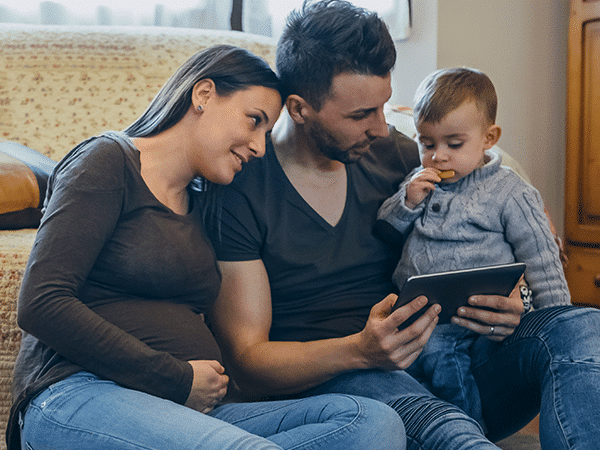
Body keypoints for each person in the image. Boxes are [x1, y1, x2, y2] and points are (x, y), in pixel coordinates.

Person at [207, 1, 600, 449]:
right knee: (449, 431)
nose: (382, 127)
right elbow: (247, 361)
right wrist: (359, 350)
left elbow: (493, 183)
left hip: (459, 356)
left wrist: (521, 300)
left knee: (583, 326)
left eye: (383, 107)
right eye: (360, 115)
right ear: (299, 109)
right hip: (350, 377)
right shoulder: (241, 190)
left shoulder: (394, 154)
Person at [6, 44, 406, 450]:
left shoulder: (207, 198)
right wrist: (176, 379)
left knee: (372, 422)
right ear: (204, 95)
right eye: (253, 121)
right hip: (79, 393)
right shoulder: (108, 160)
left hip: (192, 412)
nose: (259, 147)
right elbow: (41, 303)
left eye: (267, 133)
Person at [376, 67, 571, 427]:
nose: (439, 157)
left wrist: (558, 320)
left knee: (441, 357)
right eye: (427, 143)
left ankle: (466, 431)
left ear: (489, 137)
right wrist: (407, 200)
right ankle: (427, 427)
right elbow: (386, 228)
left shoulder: (510, 192)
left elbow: (541, 259)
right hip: (417, 307)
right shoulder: (420, 180)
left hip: (469, 312)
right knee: (406, 366)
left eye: (454, 144)